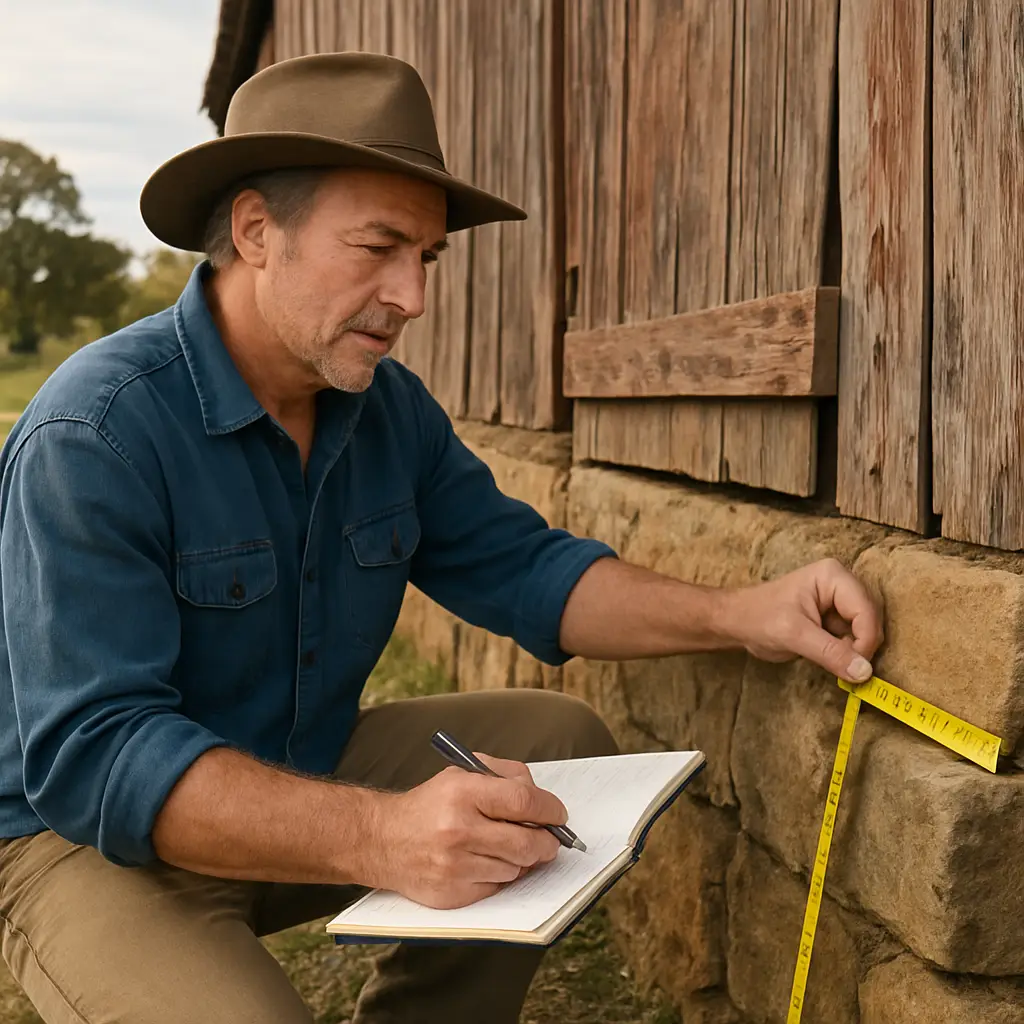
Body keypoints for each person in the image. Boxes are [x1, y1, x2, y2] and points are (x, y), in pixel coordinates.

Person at [0, 53, 882, 1024]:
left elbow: (530, 571)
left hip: (292, 773)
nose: (413, 296)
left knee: (561, 758)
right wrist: (383, 833)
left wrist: (746, 613)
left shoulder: (387, 413)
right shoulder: (94, 432)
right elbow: (99, 758)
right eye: (378, 248)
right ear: (257, 231)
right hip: (81, 842)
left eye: (425, 257)